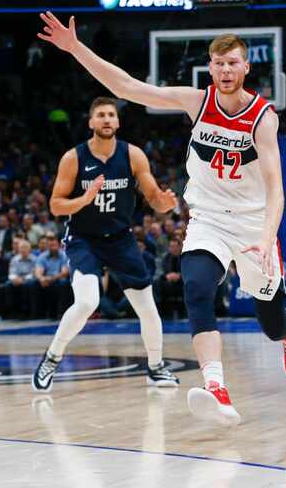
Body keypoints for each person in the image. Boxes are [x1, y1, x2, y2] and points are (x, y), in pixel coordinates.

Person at [37, 14, 286, 424]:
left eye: (233, 62)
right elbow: (128, 87)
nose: (226, 70)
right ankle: (216, 386)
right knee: (196, 288)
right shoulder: (197, 101)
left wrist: (268, 236)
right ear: (210, 67)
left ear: (247, 66)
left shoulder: (262, 117)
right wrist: (77, 49)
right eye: (219, 64)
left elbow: (275, 188)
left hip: (254, 225)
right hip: (209, 218)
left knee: (271, 323)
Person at [31, 96, 180, 392]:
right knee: (88, 301)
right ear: (91, 122)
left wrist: (164, 203)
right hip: (84, 239)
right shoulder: (73, 158)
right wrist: (84, 199)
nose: (107, 120)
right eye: (101, 115)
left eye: (111, 115)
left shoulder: (133, 155)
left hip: (121, 239)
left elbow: (152, 195)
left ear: (118, 122)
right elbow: (56, 206)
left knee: (148, 309)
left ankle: (155, 367)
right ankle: (52, 357)